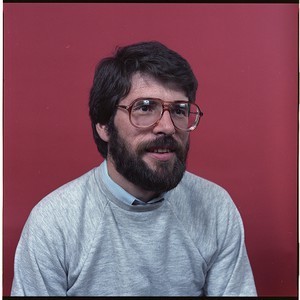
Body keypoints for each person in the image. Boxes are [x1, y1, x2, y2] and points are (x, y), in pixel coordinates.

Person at [11, 41, 257, 296]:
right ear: (104, 125)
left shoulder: (215, 207)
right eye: (145, 107)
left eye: (179, 110)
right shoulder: (53, 223)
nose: (168, 127)